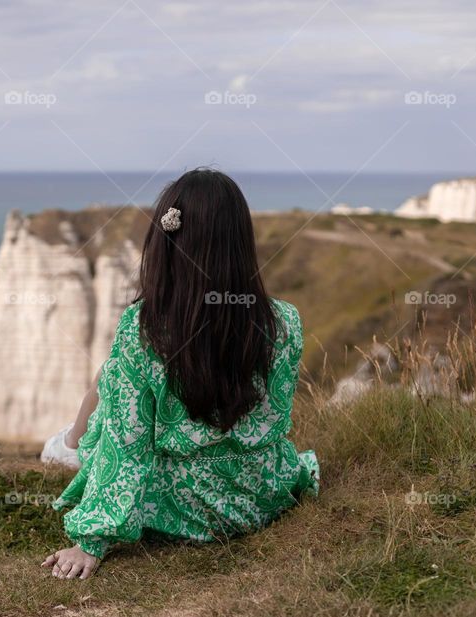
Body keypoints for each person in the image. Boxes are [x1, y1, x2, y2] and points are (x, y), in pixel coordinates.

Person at [41, 168, 319, 580]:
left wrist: (90, 542)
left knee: (112, 389)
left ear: (167, 242)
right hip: (262, 495)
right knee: (117, 373)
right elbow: (274, 421)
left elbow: (127, 445)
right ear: (241, 242)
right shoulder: (283, 321)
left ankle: (70, 442)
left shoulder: (146, 328)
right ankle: (70, 441)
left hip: (186, 507)